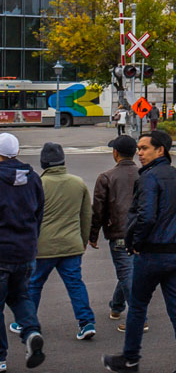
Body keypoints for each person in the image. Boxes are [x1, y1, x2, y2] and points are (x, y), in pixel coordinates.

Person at [103, 130, 176, 373]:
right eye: (138, 148)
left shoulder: (149, 178)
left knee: (137, 307)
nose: (139, 153)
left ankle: (130, 359)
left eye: (144, 148)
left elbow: (145, 216)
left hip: (152, 255)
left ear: (161, 150)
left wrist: (135, 241)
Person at [11, 143, 97, 344]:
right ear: (63, 161)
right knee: (75, 284)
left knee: (33, 285)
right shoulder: (78, 183)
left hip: (42, 247)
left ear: (43, 163)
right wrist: (83, 241)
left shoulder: (38, 184)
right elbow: (86, 216)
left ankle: (27, 323)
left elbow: (28, 216)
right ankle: (86, 323)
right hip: (71, 245)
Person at [0, 133, 46, 369]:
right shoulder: (33, 178)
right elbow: (39, 214)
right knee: (20, 296)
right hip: (26, 251)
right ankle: (30, 334)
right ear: (16, 152)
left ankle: (0, 357)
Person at [89, 136, 142, 333]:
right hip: (142, 234)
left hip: (119, 233)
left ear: (115, 153)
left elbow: (98, 210)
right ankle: (117, 307)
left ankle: (138, 317)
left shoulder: (106, 177)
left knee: (126, 272)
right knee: (128, 271)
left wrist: (93, 235)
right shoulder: (145, 174)